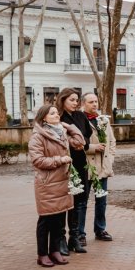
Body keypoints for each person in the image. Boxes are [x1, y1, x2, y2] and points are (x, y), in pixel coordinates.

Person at [28, 104, 85, 267]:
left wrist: (69, 126)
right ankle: (42, 254)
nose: (57, 115)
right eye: (52, 113)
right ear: (43, 117)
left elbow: (80, 142)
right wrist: (60, 160)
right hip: (47, 184)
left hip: (62, 182)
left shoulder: (62, 132)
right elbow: (37, 160)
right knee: (45, 221)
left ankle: (55, 251)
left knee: (59, 220)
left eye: (56, 113)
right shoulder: (37, 136)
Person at [56, 88, 92, 254]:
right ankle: (61, 239)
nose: (75, 103)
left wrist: (80, 141)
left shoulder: (80, 116)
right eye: (71, 99)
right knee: (65, 203)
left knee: (79, 202)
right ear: (63, 100)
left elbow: (87, 137)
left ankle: (74, 238)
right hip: (64, 166)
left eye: (77, 100)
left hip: (80, 163)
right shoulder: (57, 117)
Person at [82, 92, 115, 242]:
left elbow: (112, 142)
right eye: (91, 102)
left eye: (96, 101)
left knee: (101, 200)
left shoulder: (103, 120)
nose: (94, 104)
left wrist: (110, 159)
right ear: (84, 104)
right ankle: (80, 234)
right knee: (82, 202)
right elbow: (75, 144)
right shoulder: (79, 120)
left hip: (102, 168)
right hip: (87, 167)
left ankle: (100, 229)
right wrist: (93, 148)